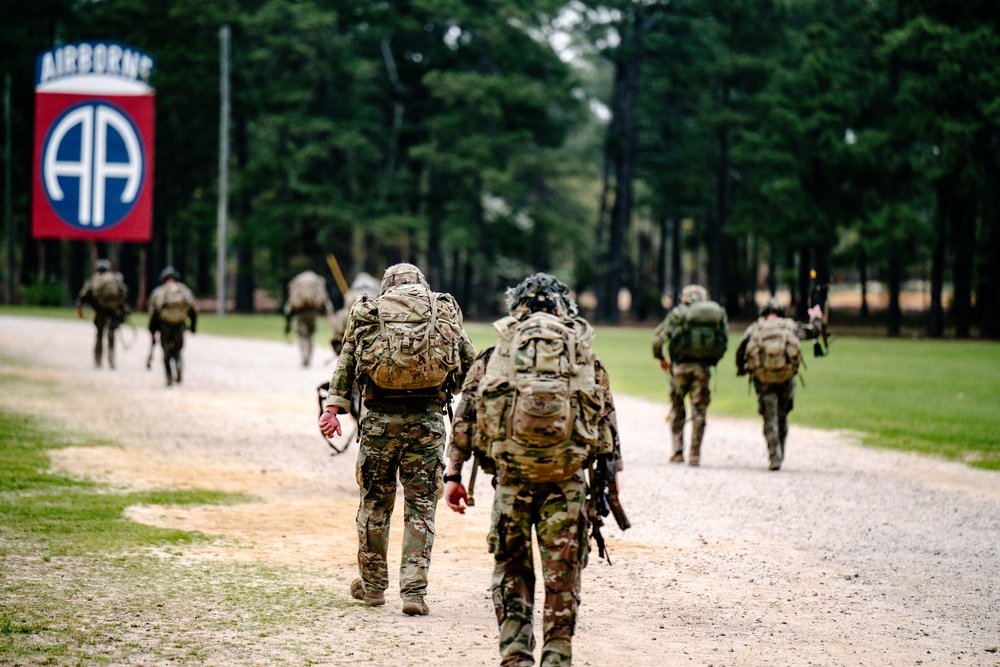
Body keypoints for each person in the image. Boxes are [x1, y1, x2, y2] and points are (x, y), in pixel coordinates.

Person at [444, 273, 623, 667]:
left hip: (511, 481)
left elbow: (465, 419)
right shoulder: (582, 355)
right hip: (568, 484)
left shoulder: (496, 354)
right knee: (563, 578)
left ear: (517, 305)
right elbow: (607, 430)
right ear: (564, 307)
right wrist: (609, 489)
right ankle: (557, 658)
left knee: (511, 570)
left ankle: (515, 657)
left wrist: (454, 476)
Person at [318, 263, 475, 616]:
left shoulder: (369, 311)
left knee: (375, 505)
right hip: (429, 424)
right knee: (421, 508)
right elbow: (469, 367)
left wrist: (333, 409)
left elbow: (346, 363)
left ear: (387, 286)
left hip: (378, 426)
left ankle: (372, 587)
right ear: (421, 284)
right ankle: (414, 593)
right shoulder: (442, 310)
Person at [735, 298, 824, 471]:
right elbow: (814, 331)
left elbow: (740, 349)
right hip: (785, 378)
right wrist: (816, 317)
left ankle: (773, 456)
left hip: (763, 379)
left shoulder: (755, 328)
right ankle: (780, 452)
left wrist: (742, 369)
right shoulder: (790, 326)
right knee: (782, 416)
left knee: (770, 417)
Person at [651, 284, 728, 466]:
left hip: (679, 368)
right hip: (703, 369)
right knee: (699, 411)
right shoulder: (712, 316)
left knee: (677, 408)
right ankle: (695, 454)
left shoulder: (678, 314)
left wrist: (660, 357)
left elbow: (658, 340)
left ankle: (677, 451)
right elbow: (723, 341)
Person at [148, 266, 198, 387]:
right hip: (180, 325)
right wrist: (192, 327)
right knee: (178, 351)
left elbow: (154, 313)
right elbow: (193, 310)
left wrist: (152, 331)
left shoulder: (159, 292)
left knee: (166, 353)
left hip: (165, 326)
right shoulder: (184, 291)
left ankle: (169, 377)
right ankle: (179, 365)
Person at [76, 259, 129, 369]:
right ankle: (111, 360)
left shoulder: (94, 279)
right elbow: (123, 292)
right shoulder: (115, 279)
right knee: (111, 335)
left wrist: (80, 307)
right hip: (113, 311)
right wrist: (123, 308)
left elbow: (83, 294)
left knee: (99, 335)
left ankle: (98, 360)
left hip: (100, 311)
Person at [284, 270, 334, 367]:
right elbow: (325, 299)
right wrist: (329, 312)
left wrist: (287, 315)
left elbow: (291, 301)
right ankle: (308, 357)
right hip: (313, 312)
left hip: (301, 313)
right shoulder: (317, 282)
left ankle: (304, 356)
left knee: (303, 335)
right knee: (310, 336)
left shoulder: (297, 282)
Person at [330, 272, 379, 355]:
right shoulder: (376, 295)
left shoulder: (350, 295)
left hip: (352, 333)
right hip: (374, 343)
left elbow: (344, 315)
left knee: (342, 316)